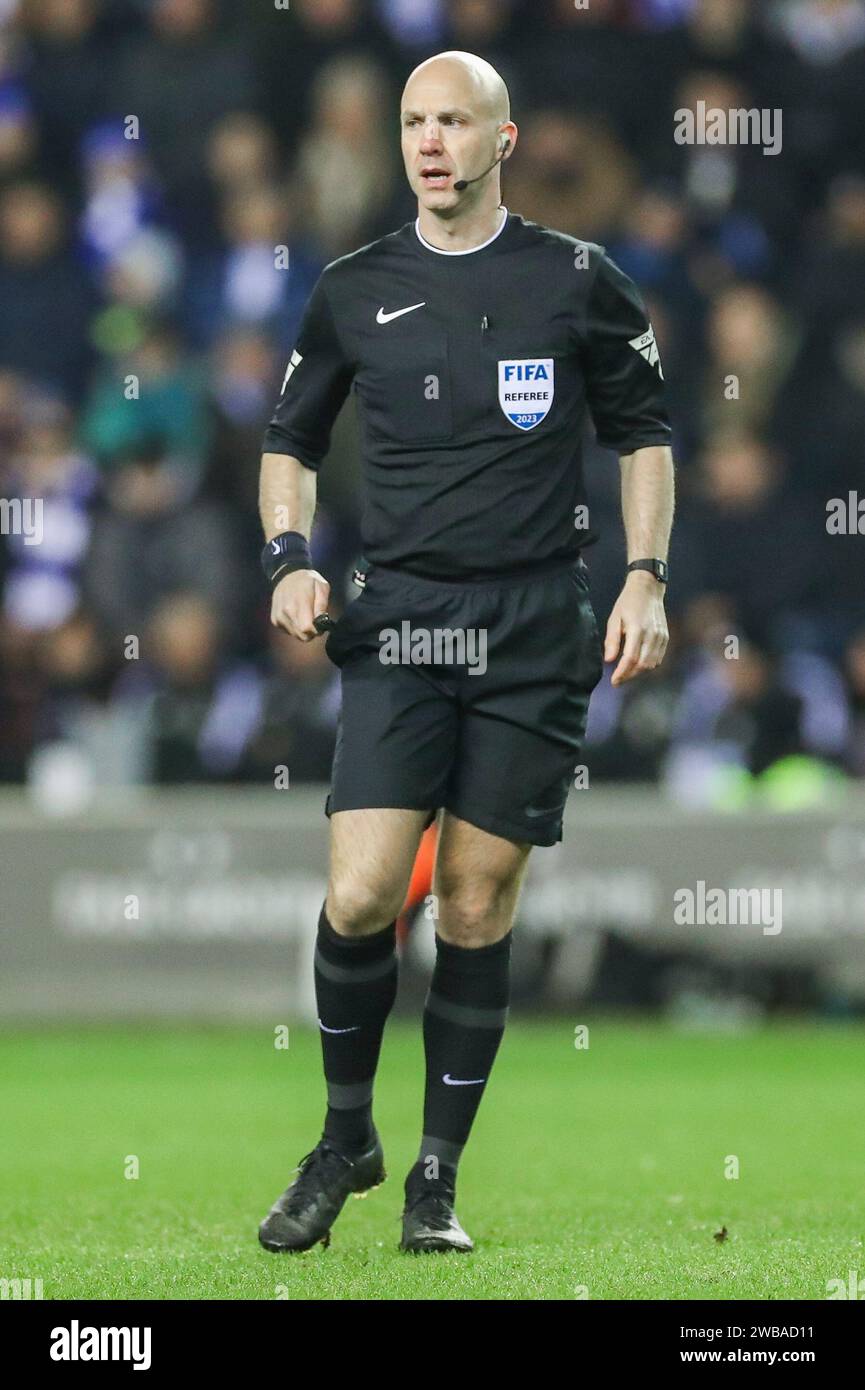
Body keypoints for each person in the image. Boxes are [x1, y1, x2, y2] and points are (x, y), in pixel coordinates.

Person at [257, 51, 674, 1255]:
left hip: (536, 625)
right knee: (364, 890)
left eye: (452, 121)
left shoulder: (580, 281)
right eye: (412, 122)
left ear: (503, 140)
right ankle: (345, 1136)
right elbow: (288, 435)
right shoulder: (351, 287)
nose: (428, 140)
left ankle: (433, 1181)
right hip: (396, 619)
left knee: (479, 902)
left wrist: (645, 577)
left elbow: (645, 433)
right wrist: (290, 556)